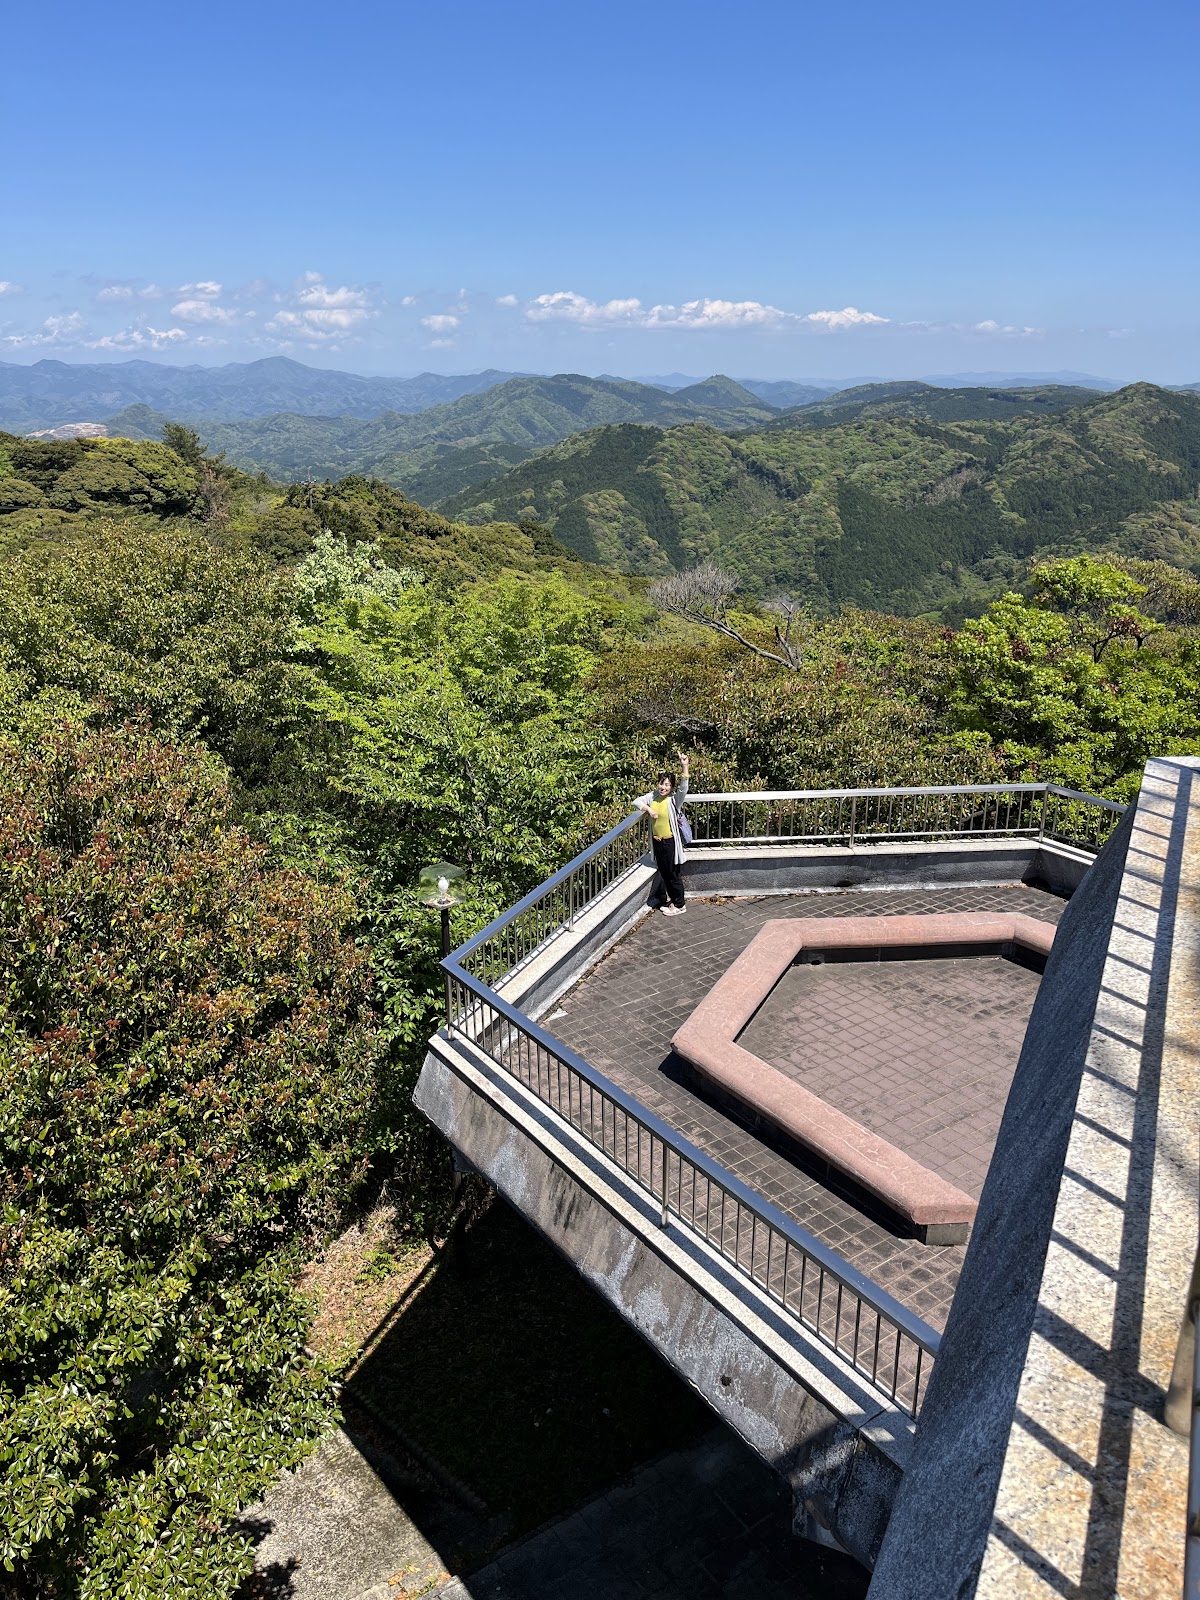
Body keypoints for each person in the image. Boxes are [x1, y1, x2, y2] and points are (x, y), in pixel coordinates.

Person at [635, 752, 690, 915]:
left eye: (667, 785)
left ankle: (679, 905)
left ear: (671, 787)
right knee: (665, 873)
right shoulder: (652, 797)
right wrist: (648, 809)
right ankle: (674, 901)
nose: (664, 787)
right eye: (661, 784)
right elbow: (636, 801)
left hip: (669, 842)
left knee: (673, 874)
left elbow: (684, 787)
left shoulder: (673, 801)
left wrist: (685, 766)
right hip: (657, 842)